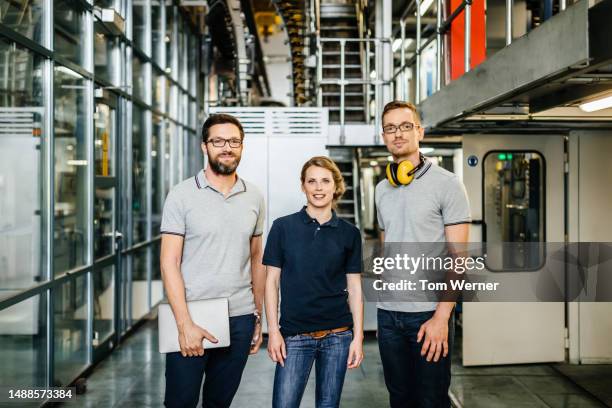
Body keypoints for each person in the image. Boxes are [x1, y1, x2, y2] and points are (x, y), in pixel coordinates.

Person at [159, 113, 266, 408]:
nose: (227, 147)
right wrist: (184, 324)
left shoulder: (254, 196)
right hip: (192, 315)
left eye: (234, 141)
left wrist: (258, 315)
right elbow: (169, 262)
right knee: (180, 402)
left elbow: (257, 258)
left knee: (220, 402)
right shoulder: (181, 195)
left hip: (240, 318)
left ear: (242, 146)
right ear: (204, 146)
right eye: (218, 141)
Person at [375, 101, 471, 407]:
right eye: (390, 128)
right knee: (400, 399)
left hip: (428, 314)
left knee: (431, 400)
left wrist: (442, 317)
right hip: (389, 315)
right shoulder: (381, 189)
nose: (398, 134)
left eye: (405, 126)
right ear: (384, 136)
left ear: (420, 132)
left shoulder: (447, 185)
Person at [264, 156, 364, 408]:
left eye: (325, 181)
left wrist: (358, 337)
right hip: (294, 336)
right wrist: (273, 332)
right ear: (303, 186)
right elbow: (271, 283)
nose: (319, 188)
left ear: (335, 186)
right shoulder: (282, 227)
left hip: (338, 336)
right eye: (312, 181)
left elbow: (354, 287)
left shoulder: (349, 233)